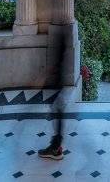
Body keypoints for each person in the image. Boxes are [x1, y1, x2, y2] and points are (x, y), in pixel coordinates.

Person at [37, 29, 67, 160]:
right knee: (57, 111)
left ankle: (55, 148)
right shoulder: (62, 30)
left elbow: (57, 62)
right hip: (58, 80)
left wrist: (42, 76)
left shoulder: (60, 29)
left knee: (57, 112)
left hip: (56, 81)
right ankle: (56, 147)